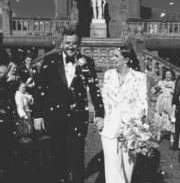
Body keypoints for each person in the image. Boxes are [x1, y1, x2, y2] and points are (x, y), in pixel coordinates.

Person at [33, 29, 105, 183]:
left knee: (77, 154)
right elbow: (40, 89)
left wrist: (100, 113)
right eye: (67, 43)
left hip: (78, 116)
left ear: (79, 44)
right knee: (57, 153)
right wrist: (38, 115)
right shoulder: (49, 61)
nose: (71, 46)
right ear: (62, 43)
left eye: (74, 43)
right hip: (54, 115)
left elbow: (94, 89)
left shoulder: (88, 62)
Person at [100, 46, 148, 183]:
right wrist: (101, 119)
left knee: (128, 167)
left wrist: (140, 130)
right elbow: (104, 98)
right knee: (112, 165)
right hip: (109, 126)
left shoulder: (139, 77)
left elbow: (143, 104)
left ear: (126, 59)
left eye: (116, 56)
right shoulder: (108, 75)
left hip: (130, 128)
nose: (112, 58)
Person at [152, 69, 175, 146]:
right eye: (166, 74)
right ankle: (158, 136)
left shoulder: (174, 83)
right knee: (159, 119)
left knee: (171, 119)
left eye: (169, 74)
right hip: (161, 103)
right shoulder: (160, 82)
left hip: (170, 104)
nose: (168, 75)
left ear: (172, 75)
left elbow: (177, 93)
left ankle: (172, 138)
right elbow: (154, 91)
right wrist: (157, 89)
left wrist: (172, 89)